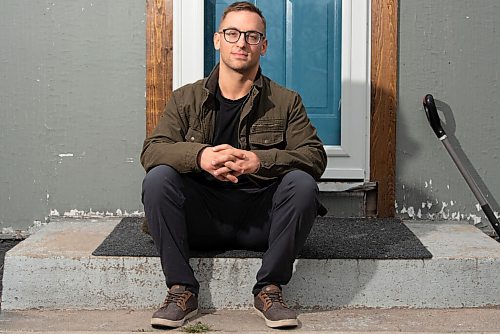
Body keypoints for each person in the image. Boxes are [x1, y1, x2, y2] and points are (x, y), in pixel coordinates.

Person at [141, 1, 326, 329]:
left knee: (302, 184)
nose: (241, 42)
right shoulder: (186, 99)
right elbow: (153, 151)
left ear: (264, 46)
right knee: (158, 178)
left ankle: (269, 289)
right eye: (232, 33)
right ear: (217, 40)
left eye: (252, 36)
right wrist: (200, 157)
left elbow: (314, 156)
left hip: (262, 222)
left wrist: (260, 161)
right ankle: (181, 289)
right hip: (200, 219)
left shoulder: (286, 101)